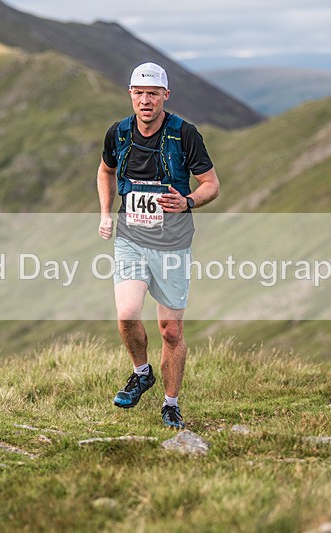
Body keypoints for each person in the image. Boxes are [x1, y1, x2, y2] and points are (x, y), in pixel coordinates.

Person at [96, 62, 219, 429]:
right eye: (139, 93)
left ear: (165, 95)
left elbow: (211, 184)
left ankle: (171, 404)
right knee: (127, 314)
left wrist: (188, 201)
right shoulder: (118, 133)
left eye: (152, 93)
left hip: (173, 245)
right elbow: (105, 171)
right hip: (131, 240)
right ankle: (141, 373)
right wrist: (105, 213)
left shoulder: (185, 134)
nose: (145, 100)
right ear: (130, 95)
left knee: (171, 331)